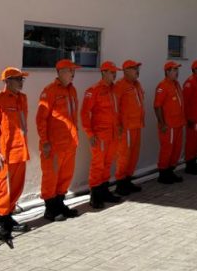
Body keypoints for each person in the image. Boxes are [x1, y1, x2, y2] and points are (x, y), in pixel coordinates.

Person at [0, 67, 31, 241]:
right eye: (17, 79)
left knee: (16, 188)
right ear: (7, 81)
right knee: (2, 189)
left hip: (20, 151)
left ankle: (7, 217)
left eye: (21, 79)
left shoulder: (22, 99)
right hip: (4, 155)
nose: (20, 82)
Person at [36, 59, 81, 222]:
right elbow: (41, 119)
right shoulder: (50, 91)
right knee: (51, 176)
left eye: (74, 71)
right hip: (54, 145)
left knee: (65, 175)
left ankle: (60, 203)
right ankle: (50, 209)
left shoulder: (72, 90)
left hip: (69, 143)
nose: (73, 74)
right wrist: (45, 141)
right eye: (71, 70)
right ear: (61, 72)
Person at [81, 61, 122, 208]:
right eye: (112, 72)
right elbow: (85, 113)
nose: (114, 74)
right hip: (100, 135)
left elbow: (116, 111)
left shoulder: (114, 90)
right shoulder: (94, 90)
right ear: (104, 72)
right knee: (98, 165)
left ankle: (104, 191)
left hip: (113, 134)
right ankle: (95, 195)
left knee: (108, 163)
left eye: (115, 72)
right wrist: (90, 133)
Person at [114, 59, 145, 195]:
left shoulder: (137, 85)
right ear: (126, 71)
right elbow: (115, 107)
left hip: (137, 125)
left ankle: (127, 181)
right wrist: (118, 125)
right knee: (124, 156)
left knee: (134, 155)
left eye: (137, 68)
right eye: (134, 68)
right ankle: (120, 184)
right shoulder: (120, 86)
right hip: (126, 128)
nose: (137, 71)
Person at [154, 61, 186, 184]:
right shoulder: (162, 86)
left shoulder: (177, 84)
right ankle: (163, 174)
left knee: (176, 149)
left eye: (177, 69)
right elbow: (157, 106)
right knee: (167, 149)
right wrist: (162, 124)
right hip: (169, 125)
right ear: (167, 71)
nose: (177, 72)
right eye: (174, 70)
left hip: (178, 123)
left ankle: (170, 171)